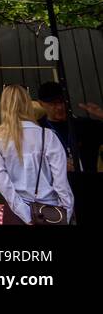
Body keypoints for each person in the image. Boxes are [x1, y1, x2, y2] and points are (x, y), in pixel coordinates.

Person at [0, 85, 74, 225]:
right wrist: (67, 212)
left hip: (16, 214)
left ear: (3, 106)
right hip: (51, 211)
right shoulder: (48, 136)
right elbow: (61, 182)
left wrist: (25, 214)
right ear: (29, 104)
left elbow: (3, 183)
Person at [37, 80, 103, 224]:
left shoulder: (83, 125)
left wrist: (101, 115)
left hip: (88, 191)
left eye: (62, 102)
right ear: (41, 104)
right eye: (53, 104)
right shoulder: (38, 129)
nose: (59, 107)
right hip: (54, 194)